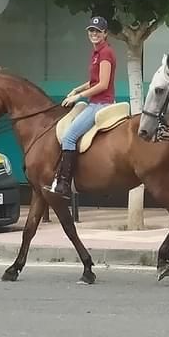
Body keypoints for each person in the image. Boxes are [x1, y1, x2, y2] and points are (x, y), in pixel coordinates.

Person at [43, 15, 117, 199]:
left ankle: (64, 185)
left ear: (105, 33)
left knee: (69, 137)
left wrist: (78, 96)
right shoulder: (96, 53)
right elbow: (93, 80)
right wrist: (77, 88)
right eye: (91, 30)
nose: (94, 34)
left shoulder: (106, 53)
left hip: (101, 104)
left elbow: (103, 84)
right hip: (94, 101)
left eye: (98, 31)